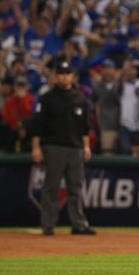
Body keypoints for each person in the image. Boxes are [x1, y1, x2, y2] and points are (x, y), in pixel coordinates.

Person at [30, 60, 96, 236]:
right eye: (61, 73)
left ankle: (79, 224)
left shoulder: (80, 98)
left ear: (72, 76)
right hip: (54, 147)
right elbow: (38, 125)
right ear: (56, 76)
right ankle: (48, 225)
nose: (64, 76)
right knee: (51, 187)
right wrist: (36, 147)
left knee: (76, 187)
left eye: (67, 73)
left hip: (75, 148)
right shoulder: (47, 98)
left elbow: (84, 127)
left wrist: (87, 147)